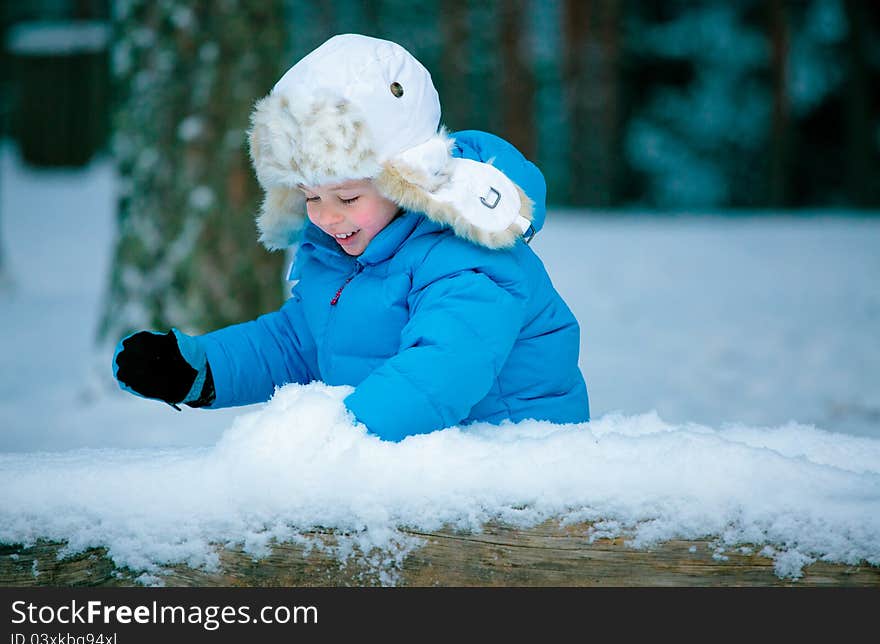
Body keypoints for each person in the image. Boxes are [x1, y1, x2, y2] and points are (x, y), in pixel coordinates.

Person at [113, 34, 589, 442]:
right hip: (416, 472)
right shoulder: (346, 253)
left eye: (345, 196)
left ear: (405, 177)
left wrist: (335, 443)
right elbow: (298, 344)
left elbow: (440, 371)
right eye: (310, 196)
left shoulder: (465, 257)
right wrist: (203, 370)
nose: (325, 217)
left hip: (514, 477)